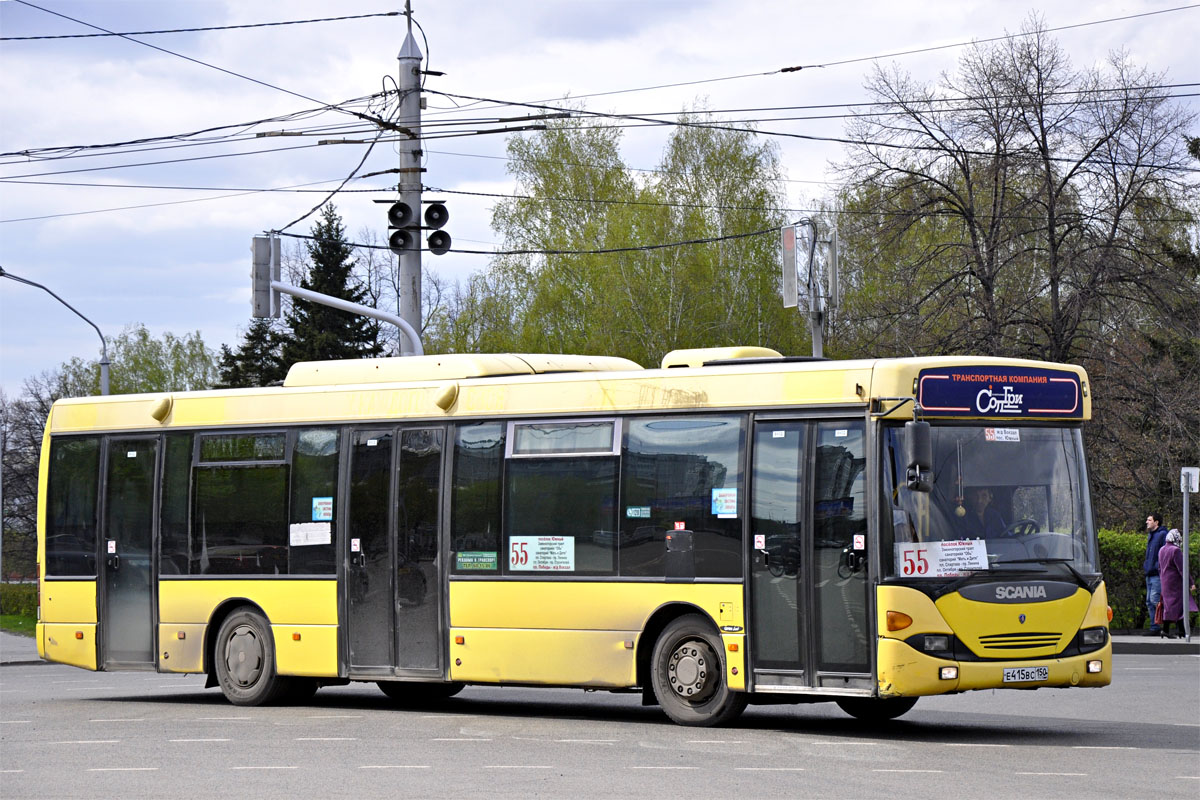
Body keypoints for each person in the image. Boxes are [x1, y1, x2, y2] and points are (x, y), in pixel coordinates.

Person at [1157, 529, 1197, 639]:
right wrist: (1190, 582)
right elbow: (1182, 569)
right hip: (1176, 582)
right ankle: (1171, 630)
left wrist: (1162, 580)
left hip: (1165, 582)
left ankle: (1178, 631)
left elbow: (1159, 568)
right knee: (1179, 605)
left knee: (1170, 605)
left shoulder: (1161, 550)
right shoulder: (1176, 550)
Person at [1142, 513, 1169, 635]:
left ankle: (1160, 625)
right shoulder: (1151, 536)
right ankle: (1155, 627)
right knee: (1149, 601)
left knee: (1154, 600)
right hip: (1150, 572)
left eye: (1149, 520)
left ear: (1156, 522)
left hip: (1156, 573)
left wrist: (1157, 566)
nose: (1147, 522)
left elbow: (1164, 553)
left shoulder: (1162, 535)